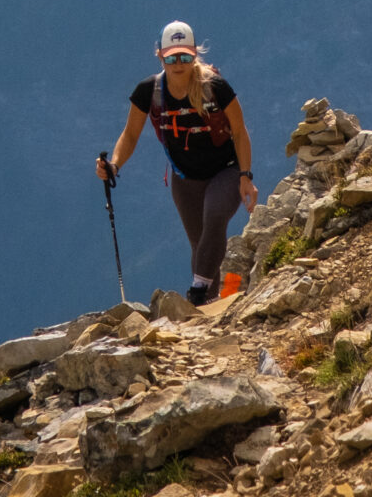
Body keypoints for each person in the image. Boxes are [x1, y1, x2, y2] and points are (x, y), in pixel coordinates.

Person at [97, 20, 257, 304]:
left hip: (226, 171)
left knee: (215, 217)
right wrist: (114, 166)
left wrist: (245, 175)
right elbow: (130, 134)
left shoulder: (215, 86)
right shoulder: (150, 91)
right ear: (160, 56)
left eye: (185, 56)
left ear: (195, 54)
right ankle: (209, 305)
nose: (178, 63)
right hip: (184, 179)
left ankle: (196, 294)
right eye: (172, 57)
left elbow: (240, 130)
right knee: (200, 245)